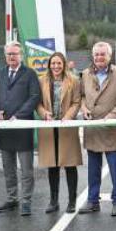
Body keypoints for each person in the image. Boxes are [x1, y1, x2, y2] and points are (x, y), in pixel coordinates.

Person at [78, 41, 116, 217]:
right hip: (92, 127)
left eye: (103, 54)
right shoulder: (85, 74)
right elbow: (82, 96)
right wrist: (84, 109)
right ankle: (93, 201)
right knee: (93, 168)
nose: (99, 57)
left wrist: (112, 116)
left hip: (111, 128)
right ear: (93, 56)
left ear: (109, 56)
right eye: (96, 54)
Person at [0, 41, 41, 216]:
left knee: (26, 169)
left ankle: (26, 200)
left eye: (14, 54)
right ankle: (12, 198)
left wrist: (18, 115)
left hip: (22, 127)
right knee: (8, 169)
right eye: (9, 54)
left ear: (21, 55)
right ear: (5, 56)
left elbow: (34, 97)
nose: (11, 57)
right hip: (5, 128)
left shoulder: (30, 74)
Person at [36, 52, 83, 213]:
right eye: (53, 63)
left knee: (70, 165)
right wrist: (44, 114)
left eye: (59, 63)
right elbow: (38, 103)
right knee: (52, 165)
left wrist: (68, 117)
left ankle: (71, 201)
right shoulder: (42, 80)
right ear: (49, 65)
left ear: (63, 65)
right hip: (49, 127)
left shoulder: (74, 81)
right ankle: (53, 201)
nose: (56, 66)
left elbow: (77, 102)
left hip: (67, 126)